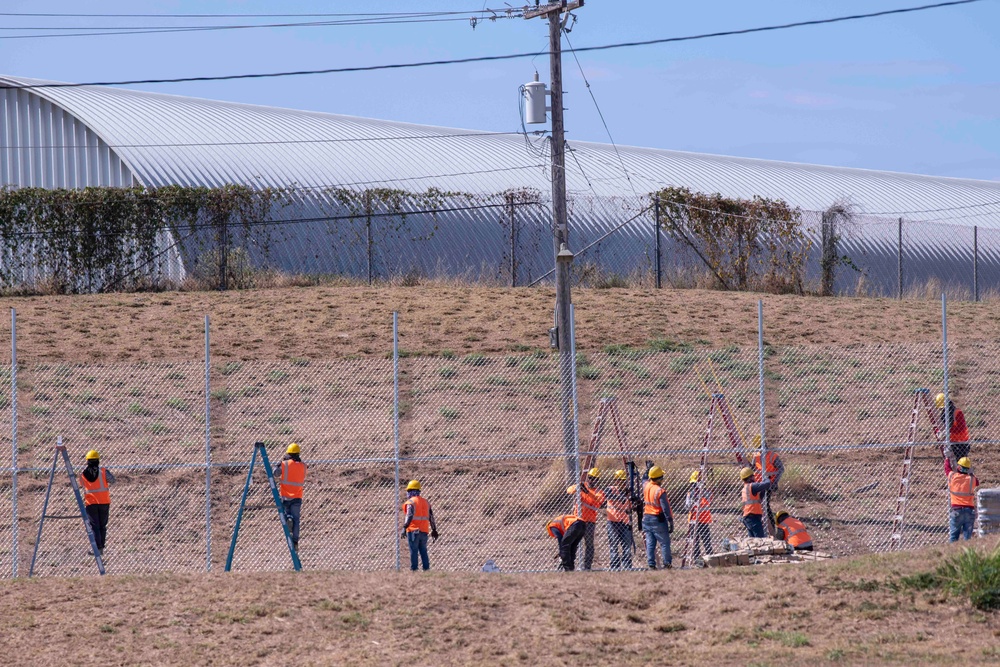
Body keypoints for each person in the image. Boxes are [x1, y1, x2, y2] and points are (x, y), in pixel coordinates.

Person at [566, 467, 606, 571]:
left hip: (590, 522)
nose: (592, 480)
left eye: (595, 479)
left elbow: (598, 501)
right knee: (571, 543)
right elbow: (569, 490)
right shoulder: (581, 487)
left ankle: (586, 567)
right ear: (588, 478)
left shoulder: (599, 491)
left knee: (589, 545)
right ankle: (568, 565)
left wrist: (587, 493)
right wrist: (578, 487)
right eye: (591, 478)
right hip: (577, 520)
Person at [80, 449, 115, 557]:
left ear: (87, 461)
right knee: (102, 526)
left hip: (91, 503)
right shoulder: (103, 471)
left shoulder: (83, 474)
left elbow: (82, 484)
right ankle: (101, 547)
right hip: (104, 502)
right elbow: (112, 480)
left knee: (94, 526)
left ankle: (97, 548)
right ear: (98, 460)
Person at [274, 442, 307, 551]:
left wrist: (279, 464)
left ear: (288, 453)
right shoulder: (303, 466)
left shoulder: (285, 464)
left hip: (285, 496)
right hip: (297, 496)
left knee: (286, 514)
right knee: (297, 519)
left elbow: (276, 473)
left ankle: (288, 518)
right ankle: (295, 541)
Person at [400, 479, 438, 570]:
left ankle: (414, 570)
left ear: (411, 491)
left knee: (414, 551)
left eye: (408, 491)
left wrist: (404, 527)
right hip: (424, 531)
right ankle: (426, 570)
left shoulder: (411, 502)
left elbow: (409, 515)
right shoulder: (426, 502)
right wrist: (434, 529)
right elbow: (431, 517)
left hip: (413, 531)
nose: (407, 493)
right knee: (423, 551)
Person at [642, 465, 674, 569]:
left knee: (650, 543)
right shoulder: (660, 491)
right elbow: (665, 508)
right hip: (658, 519)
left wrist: (647, 471)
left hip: (646, 518)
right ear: (659, 478)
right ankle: (667, 564)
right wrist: (670, 521)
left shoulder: (646, 486)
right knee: (664, 543)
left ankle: (651, 564)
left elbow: (644, 480)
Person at [604, 469, 634, 570]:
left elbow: (631, 507)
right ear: (616, 481)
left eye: (624, 480)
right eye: (620, 480)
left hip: (625, 522)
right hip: (613, 522)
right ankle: (615, 567)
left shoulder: (629, 492)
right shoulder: (611, 489)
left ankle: (627, 567)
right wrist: (620, 497)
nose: (622, 482)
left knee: (626, 546)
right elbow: (606, 495)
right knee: (614, 546)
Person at [945, 456, 980, 542]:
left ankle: (952, 554)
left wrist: (947, 459)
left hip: (957, 510)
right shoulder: (972, 479)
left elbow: (947, 469)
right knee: (967, 539)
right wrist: (971, 473)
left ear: (958, 467)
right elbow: (977, 482)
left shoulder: (953, 476)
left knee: (953, 537)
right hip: (969, 511)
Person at [684, 470, 713, 562]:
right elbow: (687, 507)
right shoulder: (694, 493)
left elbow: (687, 506)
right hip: (698, 520)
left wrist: (700, 493)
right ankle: (702, 558)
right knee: (700, 542)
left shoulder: (703, 493)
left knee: (701, 541)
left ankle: (707, 558)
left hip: (698, 520)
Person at [936, 393, 971, 461]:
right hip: (962, 442)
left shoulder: (953, 413)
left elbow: (950, 426)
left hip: (958, 443)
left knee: (958, 463)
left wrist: (943, 432)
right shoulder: (956, 411)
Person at [740, 467, 772, 538]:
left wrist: (764, 489)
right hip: (753, 518)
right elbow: (767, 484)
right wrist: (767, 478)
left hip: (749, 518)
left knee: (753, 542)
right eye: (753, 476)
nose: (755, 478)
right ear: (750, 477)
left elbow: (759, 499)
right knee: (760, 541)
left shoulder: (746, 488)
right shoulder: (752, 486)